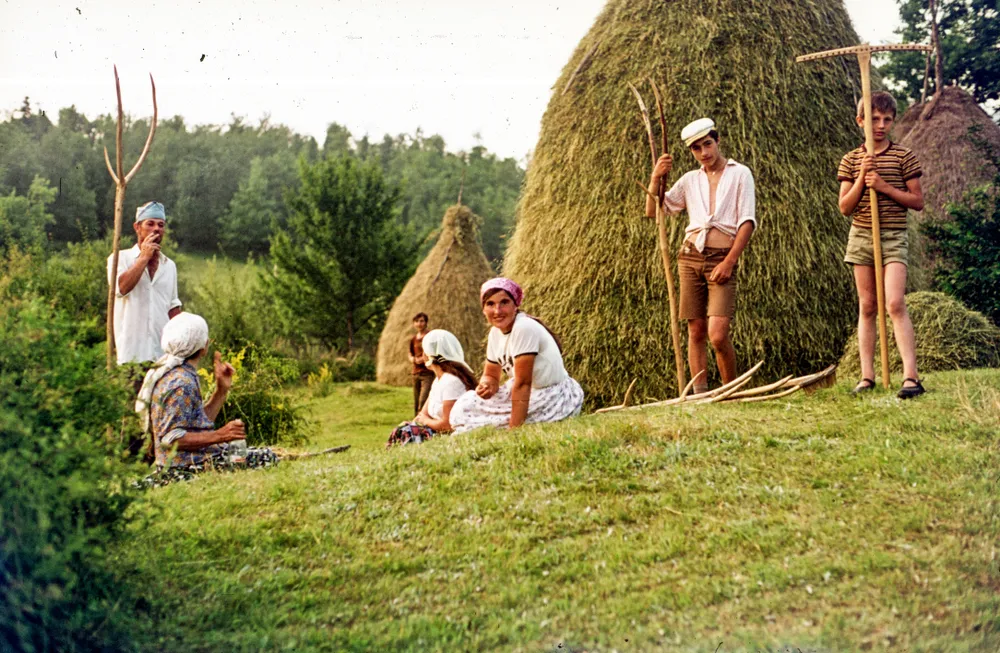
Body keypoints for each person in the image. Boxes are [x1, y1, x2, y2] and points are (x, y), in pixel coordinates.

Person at [645, 118, 756, 393]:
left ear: (718, 141)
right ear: (692, 152)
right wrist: (656, 176)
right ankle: (700, 395)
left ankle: (730, 392)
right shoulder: (689, 180)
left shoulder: (740, 173)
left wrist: (729, 261)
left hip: (721, 257)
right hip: (690, 257)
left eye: (707, 144)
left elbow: (747, 221)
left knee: (717, 334)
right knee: (695, 330)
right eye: (696, 148)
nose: (704, 152)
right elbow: (654, 210)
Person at [837, 91, 925, 399]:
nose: (881, 125)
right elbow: (845, 207)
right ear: (860, 121)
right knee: (868, 305)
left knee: (895, 303)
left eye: (887, 120)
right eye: (874, 119)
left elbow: (917, 201)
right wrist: (862, 176)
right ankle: (866, 376)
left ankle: (911, 377)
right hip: (862, 235)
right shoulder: (851, 159)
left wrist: (884, 187)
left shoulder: (904, 156)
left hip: (893, 235)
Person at [135, 312, 277, 484]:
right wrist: (220, 435)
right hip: (185, 467)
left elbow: (195, 425)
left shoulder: (178, 374)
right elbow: (170, 440)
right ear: (204, 347)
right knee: (267, 457)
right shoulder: (181, 383)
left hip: (192, 460)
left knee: (257, 452)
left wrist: (221, 390)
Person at [449, 278, 583, 433]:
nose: (497, 311)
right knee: (464, 405)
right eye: (490, 304)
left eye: (504, 302)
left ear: (515, 305)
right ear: (483, 309)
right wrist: (487, 386)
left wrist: (514, 429)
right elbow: (491, 375)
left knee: (475, 420)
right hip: (524, 391)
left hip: (552, 396)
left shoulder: (523, 328)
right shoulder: (495, 333)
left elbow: (523, 383)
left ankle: (514, 423)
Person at [107, 201, 182, 366]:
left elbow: (173, 308)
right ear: (137, 227)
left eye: (161, 225)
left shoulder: (169, 266)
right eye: (150, 224)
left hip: (162, 357)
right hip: (131, 355)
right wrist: (144, 257)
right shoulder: (119, 259)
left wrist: (179, 349)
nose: (156, 228)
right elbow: (121, 289)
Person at [386, 329, 477, 447]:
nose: (422, 355)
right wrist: (411, 423)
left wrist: (426, 422)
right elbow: (422, 414)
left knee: (406, 432)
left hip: (447, 435)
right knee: (402, 429)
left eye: (425, 351)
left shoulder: (451, 382)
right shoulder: (438, 380)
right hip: (435, 430)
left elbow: (448, 425)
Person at [408, 312, 435, 415]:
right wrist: (413, 359)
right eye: (417, 321)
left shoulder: (430, 336)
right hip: (416, 373)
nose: (419, 323)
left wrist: (424, 359)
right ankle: (416, 424)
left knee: (423, 400)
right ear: (414, 323)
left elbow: (434, 352)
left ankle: (423, 422)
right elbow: (410, 353)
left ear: (426, 322)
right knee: (416, 401)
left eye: (422, 321)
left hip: (427, 373)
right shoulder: (413, 339)